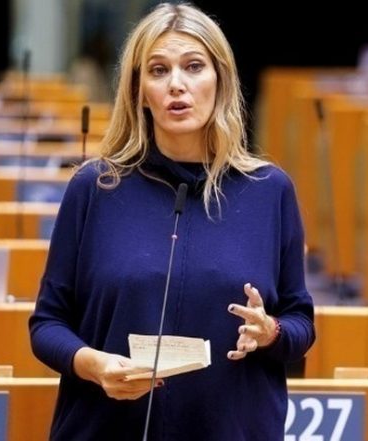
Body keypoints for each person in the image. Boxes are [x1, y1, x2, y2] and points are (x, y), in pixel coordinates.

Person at [29, 2, 315, 440]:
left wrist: (270, 331)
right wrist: (94, 365)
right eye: (158, 70)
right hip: (107, 428)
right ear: (139, 90)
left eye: (194, 66)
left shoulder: (269, 190)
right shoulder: (95, 187)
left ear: (221, 80)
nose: (176, 84)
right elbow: (47, 325)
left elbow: (301, 323)